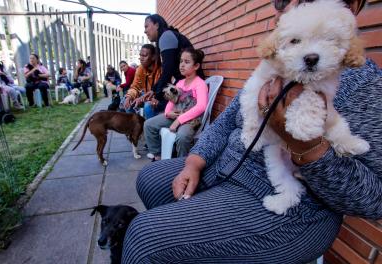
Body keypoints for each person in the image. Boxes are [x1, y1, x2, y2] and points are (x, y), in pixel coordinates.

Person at [122, 0, 382, 263]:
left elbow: (374, 199)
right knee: (151, 179)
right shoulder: (276, 63)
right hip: (230, 165)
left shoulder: (365, 85)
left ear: (354, 5)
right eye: (281, 0)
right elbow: (226, 121)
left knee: (144, 240)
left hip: (294, 207)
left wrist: (305, 146)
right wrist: (194, 162)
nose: (289, 8)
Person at [144, 47, 208, 161]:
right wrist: (168, 113)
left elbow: (201, 106)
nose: (182, 65)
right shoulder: (180, 82)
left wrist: (179, 120)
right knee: (149, 124)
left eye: (187, 62)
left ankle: (181, 163)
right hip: (176, 114)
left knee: (182, 137)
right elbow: (171, 99)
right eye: (181, 61)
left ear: (196, 66)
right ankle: (158, 156)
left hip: (191, 119)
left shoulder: (200, 84)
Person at [142, 14, 193, 113]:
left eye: (146, 26)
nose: (145, 31)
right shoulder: (165, 37)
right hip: (183, 85)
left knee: (149, 107)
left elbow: (167, 71)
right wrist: (154, 90)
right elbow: (167, 72)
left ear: (156, 25)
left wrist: (157, 95)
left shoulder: (166, 37)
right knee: (151, 104)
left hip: (189, 90)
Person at [123, 44, 161, 118]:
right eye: (140, 55)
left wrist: (142, 98)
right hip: (146, 97)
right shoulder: (140, 68)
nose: (141, 58)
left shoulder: (160, 69)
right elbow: (135, 87)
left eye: (144, 56)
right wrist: (129, 97)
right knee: (127, 102)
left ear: (153, 57)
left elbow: (159, 92)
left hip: (158, 99)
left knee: (148, 106)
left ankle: (149, 127)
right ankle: (136, 127)